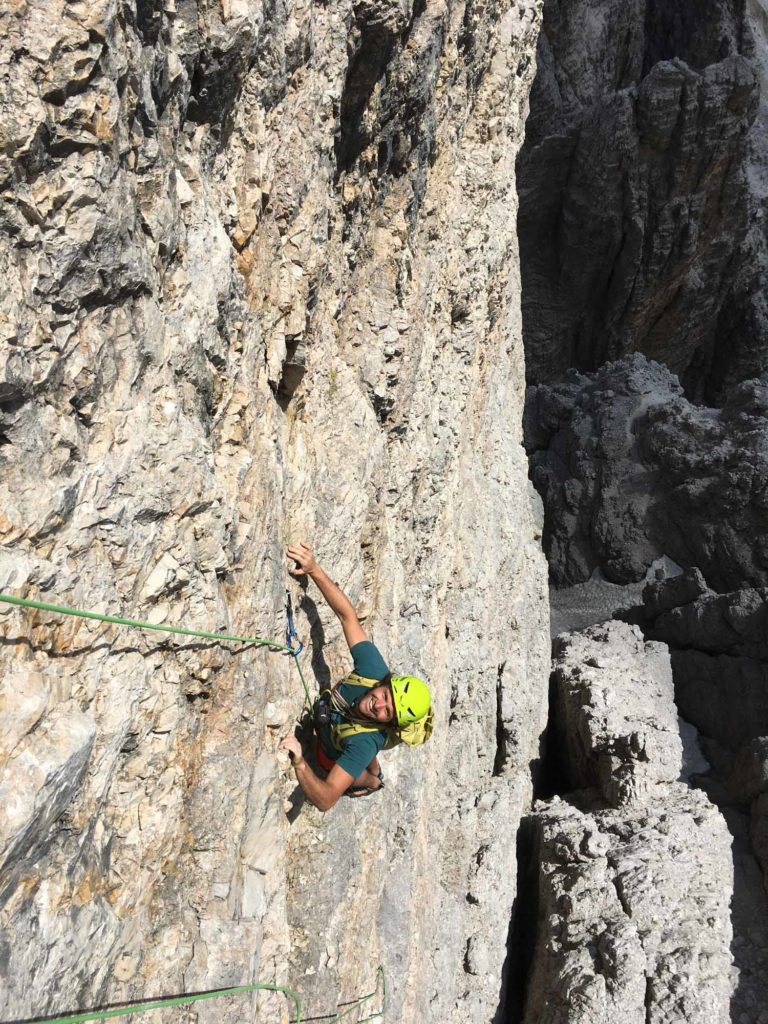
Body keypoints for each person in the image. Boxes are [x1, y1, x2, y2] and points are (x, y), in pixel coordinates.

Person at [280, 542, 431, 812]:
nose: (379, 704)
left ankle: (372, 782)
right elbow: (347, 616)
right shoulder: (372, 670)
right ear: (384, 682)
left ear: (391, 723)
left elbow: (326, 799)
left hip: (343, 748)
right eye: (385, 696)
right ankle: (374, 770)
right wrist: (314, 569)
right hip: (356, 732)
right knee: (361, 739)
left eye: (388, 712)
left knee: (356, 765)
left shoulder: (363, 743)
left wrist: (301, 762)